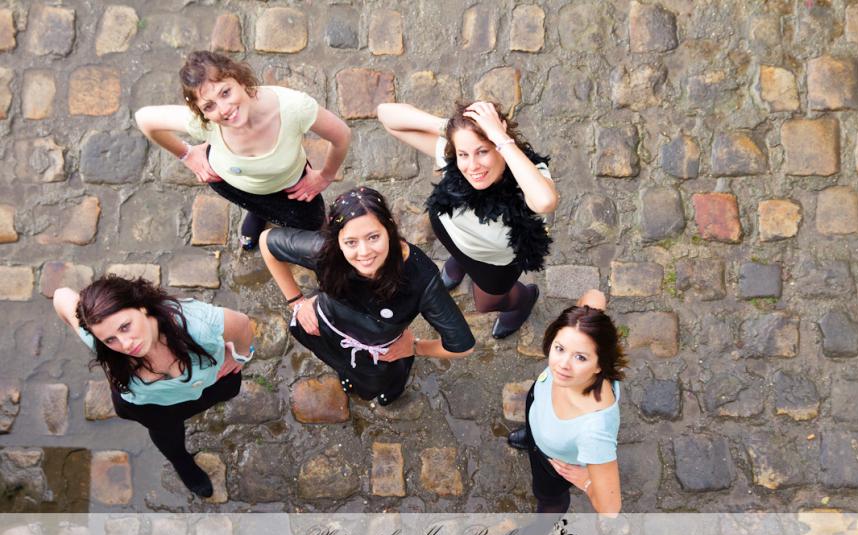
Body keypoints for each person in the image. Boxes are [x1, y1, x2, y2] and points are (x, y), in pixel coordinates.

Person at [260, 186, 475, 406]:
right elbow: (267, 242)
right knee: (344, 366)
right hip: (327, 330)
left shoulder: (420, 277)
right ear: (337, 241)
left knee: (380, 381)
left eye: (373, 237)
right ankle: (348, 372)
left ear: (389, 229)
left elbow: (462, 345)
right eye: (351, 242)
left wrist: (414, 347)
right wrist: (296, 301)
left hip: (380, 354)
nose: (364, 253)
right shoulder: (325, 252)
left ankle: (392, 388)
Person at [53, 276, 255, 498]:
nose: (125, 344)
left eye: (125, 327)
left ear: (141, 307)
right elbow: (62, 295)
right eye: (110, 340)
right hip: (153, 407)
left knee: (229, 391)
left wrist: (240, 356)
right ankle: (183, 464)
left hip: (211, 386)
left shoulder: (197, 324)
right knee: (166, 435)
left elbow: (242, 323)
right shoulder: (100, 339)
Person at [377, 100, 559, 339]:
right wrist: (452, 129)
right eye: (463, 153)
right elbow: (386, 116)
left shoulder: (528, 177)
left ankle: (523, 299)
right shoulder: (453, 155)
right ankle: (460, 263)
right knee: (458, 256)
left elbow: (545, 201)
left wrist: (498, 135)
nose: (472, 166)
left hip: (493, 261)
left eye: (482, 151)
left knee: (485, 304)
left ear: (499, 144)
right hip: (451, 232)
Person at [135, 50, 351, 249]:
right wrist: (186, 154)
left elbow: (342, 136)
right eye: (209, 106)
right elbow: (144, 119)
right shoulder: (204, 124)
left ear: (239, 80)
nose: (224, 109)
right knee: (256, 204)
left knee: (316, 226)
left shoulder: (293, 107)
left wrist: (325, 176)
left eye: (225, 92)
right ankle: (258, 213)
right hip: (232, 184)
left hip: (290, 187)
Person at [508, 289, 624, 515]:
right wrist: (581, 316)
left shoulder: (594, 432)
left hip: (552, 463)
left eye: (580, 357)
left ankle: (537, 533)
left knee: (549, 499)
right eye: (560, 348)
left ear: (600, 364)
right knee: (534, 431)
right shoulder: (582, 332)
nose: (563, 365)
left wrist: (587, 481)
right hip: (541, 422)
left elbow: (610, 509)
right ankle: (532, 435)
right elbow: (595, 295)